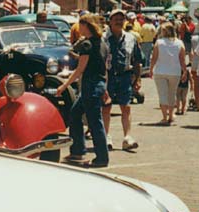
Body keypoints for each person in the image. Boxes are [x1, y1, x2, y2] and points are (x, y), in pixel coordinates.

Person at [56, 14, 110, 168]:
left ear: (87, 25)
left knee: (94, 123)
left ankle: (101, 157)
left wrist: (64, 85)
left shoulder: (87, 44)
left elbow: (80, 69)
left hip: (90, 86)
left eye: (80, 25)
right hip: (97, 84)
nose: (78, 28)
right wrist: (105, 87)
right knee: (75, 114)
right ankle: (78, 150)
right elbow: (104, 68)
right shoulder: (101, 43)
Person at [102, 9, 143, 151]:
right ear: (110, 22)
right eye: (116, 19)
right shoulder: (103, 39)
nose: (119, 22)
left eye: (121, 19)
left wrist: (137, 79)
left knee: (126, 107)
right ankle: (106, 137)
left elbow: (137, 60)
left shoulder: (131, 38)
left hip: (125, 76)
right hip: (107, 76)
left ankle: (127, 138)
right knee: (106, 107)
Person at [150, 22, 187, 124]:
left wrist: (151, 69)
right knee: (172, 94)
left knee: (162, 94)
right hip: (175, 72)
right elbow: (182, 60)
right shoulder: (179, 43)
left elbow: (154, 58)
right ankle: (170, 115)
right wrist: (184, 71)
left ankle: (164, 117)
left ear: (164, 31)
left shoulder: (159, 42)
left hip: (160, 71)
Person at [191, 33, 199, 110]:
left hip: (196, 64)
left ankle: (198, 105)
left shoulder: (194, 39)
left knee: (197, 86)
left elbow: (195, 54)